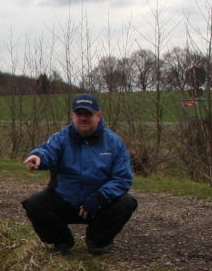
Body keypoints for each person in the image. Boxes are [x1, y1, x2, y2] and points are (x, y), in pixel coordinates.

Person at [21, 93, 138, 255]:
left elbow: (122, 178)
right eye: (79, 114)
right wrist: (38, 157)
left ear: (98, 116)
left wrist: (99, 199)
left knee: (126, 202)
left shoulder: (114, 142)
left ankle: (97, 241)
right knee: (34, 204)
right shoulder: (60, 138)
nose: (83, 118)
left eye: (88, 114)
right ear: (73, 116)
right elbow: (47, 151)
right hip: (65, 200)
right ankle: (62, 241)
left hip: (98, 205)